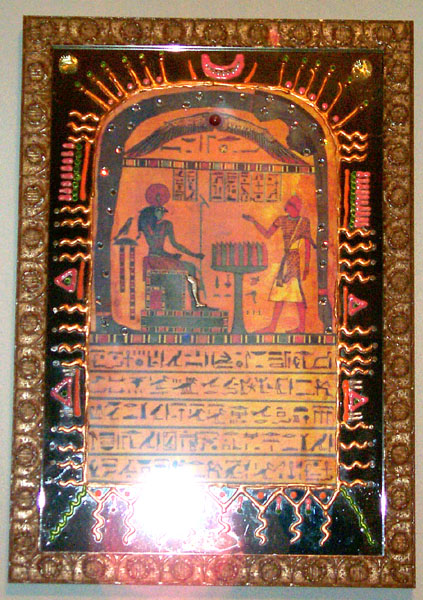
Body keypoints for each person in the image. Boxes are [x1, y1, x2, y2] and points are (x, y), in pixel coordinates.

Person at [243, 194, 316, 333]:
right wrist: (254, 222)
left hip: (294, 261)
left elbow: (307, 246)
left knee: (296, 294)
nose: (293, 208)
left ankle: (300, 327)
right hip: (286, 261)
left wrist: (307, 266)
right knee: (280, 293)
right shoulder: (281, 220)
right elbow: (267, 234)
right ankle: (273, 327)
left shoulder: (303, 222)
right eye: (291, 205)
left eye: (295, 205)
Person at [137, 183, 206, 308]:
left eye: (163, 211)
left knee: (191, 267)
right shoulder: (146, 225)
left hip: (164, 258)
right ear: (153, 211)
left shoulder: (167, 225)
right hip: (154, 259)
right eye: (159, 210)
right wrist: (171, 256)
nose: (162, 213)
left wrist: (194, 255)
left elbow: (175, 244)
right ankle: (195, 303)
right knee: (187, 269)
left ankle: (196, 302)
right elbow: (154, 246)